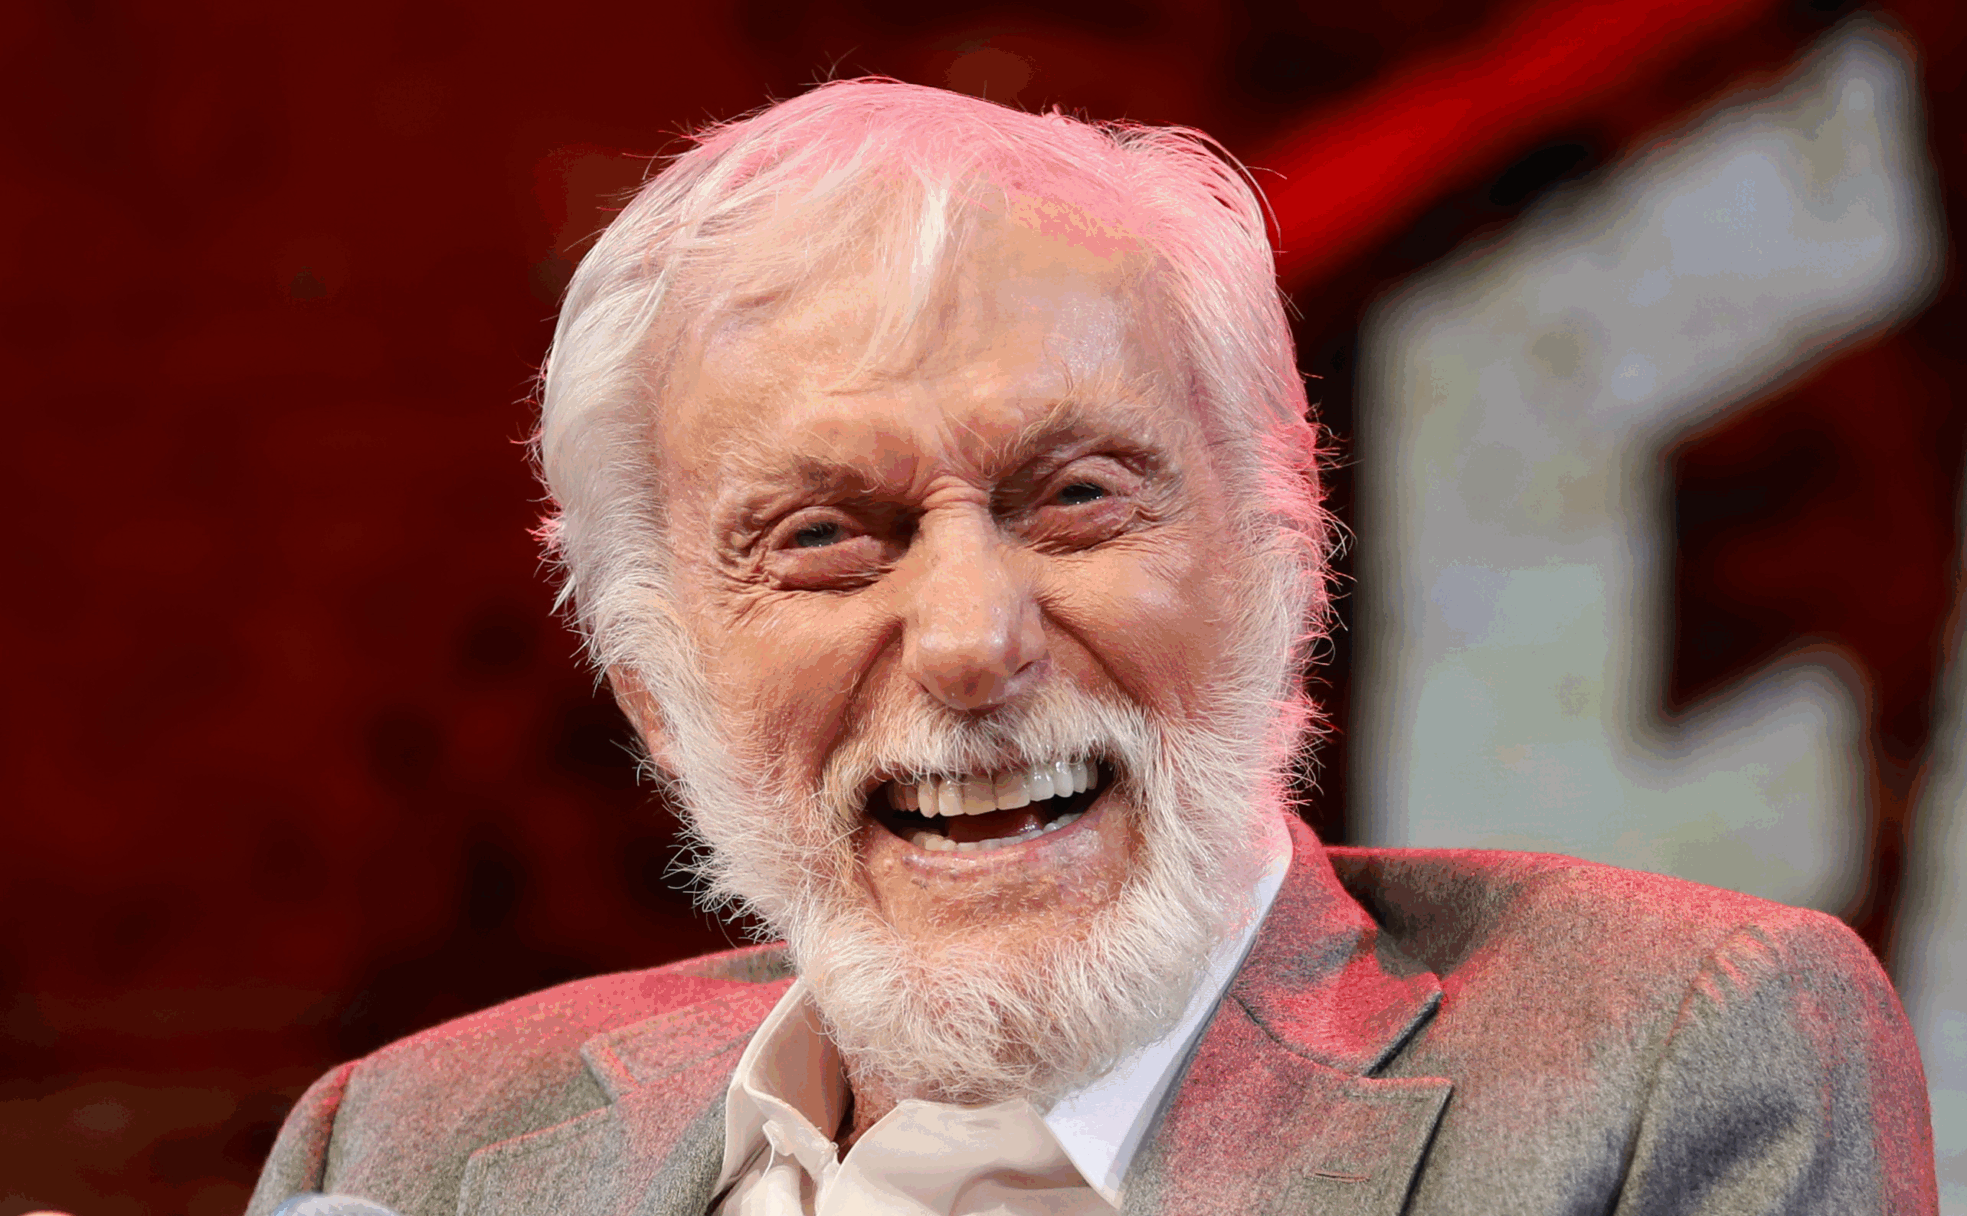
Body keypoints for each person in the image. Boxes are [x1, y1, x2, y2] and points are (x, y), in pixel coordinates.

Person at [246, 79, 1936, 1215]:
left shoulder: (1664, 1063)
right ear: (657, 696)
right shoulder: (403, 1155)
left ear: (1282, 570)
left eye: (1074, 499)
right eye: (823, 537)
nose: (970, 641)